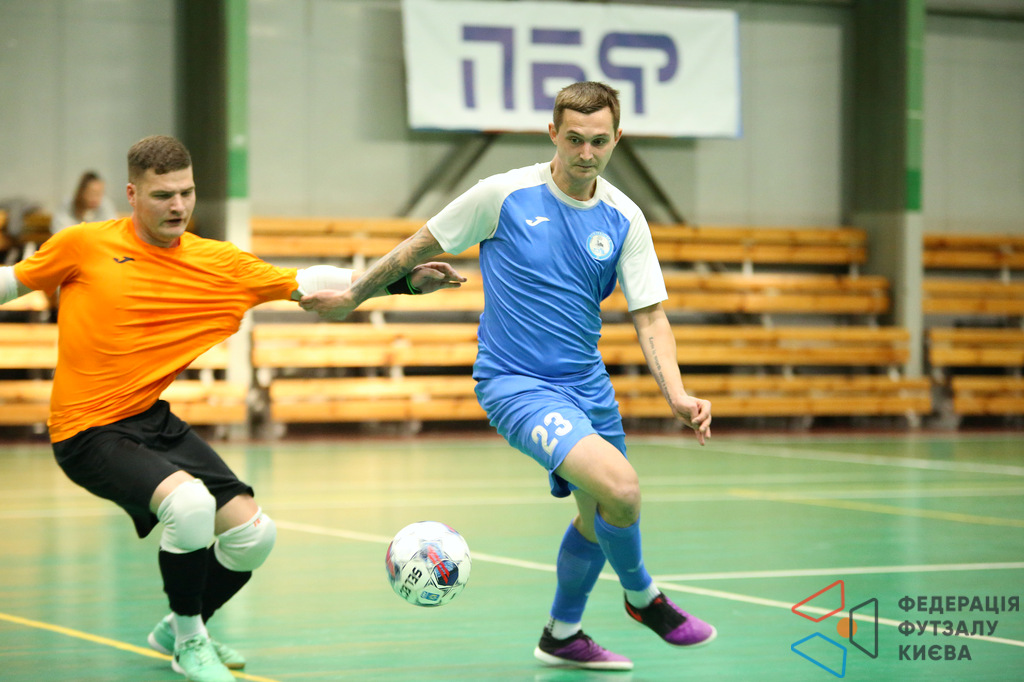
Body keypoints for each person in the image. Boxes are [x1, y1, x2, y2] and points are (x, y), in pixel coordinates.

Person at [0, 135, 464, 682]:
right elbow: (11, 282)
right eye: (162, 195)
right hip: (85, 430)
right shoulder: (84, 244)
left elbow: (310, 282)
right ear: (132, 194)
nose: (178, 205)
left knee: (253, 535)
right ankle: (190, 643)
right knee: (190, 506)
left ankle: (179, 628)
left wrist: (404, 281)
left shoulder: (216, 263)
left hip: (149, 418)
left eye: (187, 192)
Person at [299, 82, 716, 671]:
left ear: (617, 139)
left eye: (599, 142)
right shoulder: (503, 195)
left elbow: (650, 316)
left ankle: (561, 635)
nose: (586, 154)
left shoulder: (625, 217)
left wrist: (676, 394)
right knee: (622, 489)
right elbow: (415, 247)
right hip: (515, 384)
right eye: (574, 139)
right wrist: (353, 296)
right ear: (553, 134)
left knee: (601, 515)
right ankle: (644, 598)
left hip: (588, 384)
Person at [52, 170, 118, 232]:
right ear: (81, 192)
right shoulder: (68, 204)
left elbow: (112, 229)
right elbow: (60, 230)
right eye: (91, 193)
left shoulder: (105, 205)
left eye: (99, 194)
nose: (95, 198)